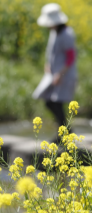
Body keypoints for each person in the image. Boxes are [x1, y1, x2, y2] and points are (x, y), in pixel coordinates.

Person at [35, 3, 77, 136]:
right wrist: (48, 64)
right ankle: (65, 131)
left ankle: (64, 133)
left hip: (64, 75)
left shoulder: (66, 34)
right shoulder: (55, 32)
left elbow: (71, 57)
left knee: (55, 103)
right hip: (54, 75)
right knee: (50, 102)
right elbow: (53, 52)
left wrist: (60, 73)